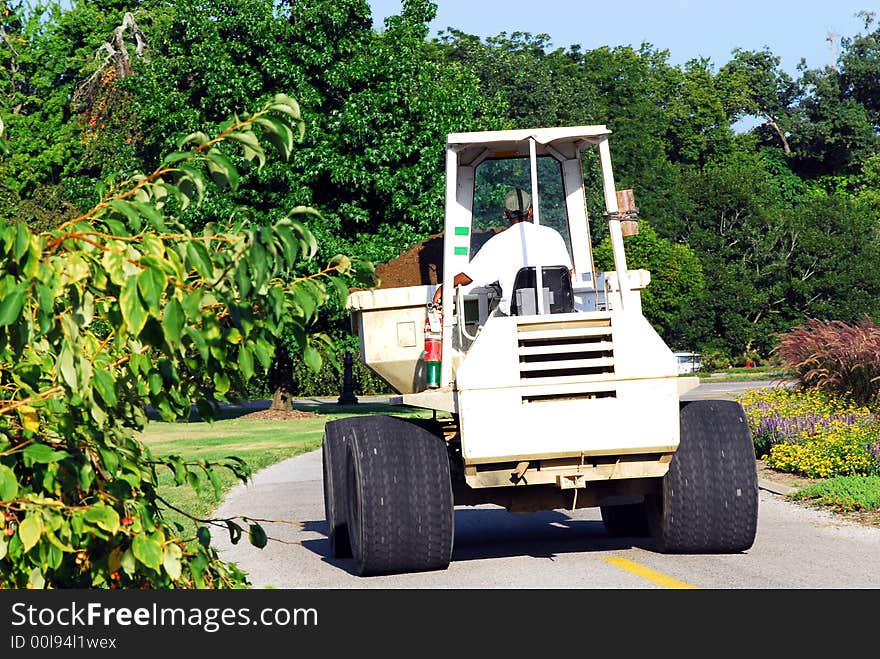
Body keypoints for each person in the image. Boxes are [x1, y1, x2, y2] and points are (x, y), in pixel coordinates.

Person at [433, 187, 573, 315]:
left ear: (505, 214)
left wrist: (444, 287)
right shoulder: (553, 235)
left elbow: (469, 276)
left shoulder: (497, 243)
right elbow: (568, 274)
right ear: (530, 212)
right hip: (559, 313)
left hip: (517, 318)